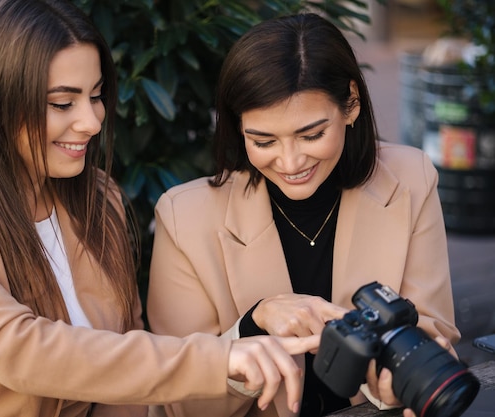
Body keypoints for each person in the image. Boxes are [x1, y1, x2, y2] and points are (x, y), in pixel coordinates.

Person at [0, 2, 320, 416]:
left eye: (97, 95)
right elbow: (19, 349)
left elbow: (123, 365)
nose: (91, 121)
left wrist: (244, 339)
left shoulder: (96, 198)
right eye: (62, 103)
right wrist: (219, 357)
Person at [147, 12, 460, 417]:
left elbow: (433, 335)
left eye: (311, 135)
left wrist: (393, 386)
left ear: (351, 103)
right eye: (263, 141)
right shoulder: (183, 216)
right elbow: (182, 401)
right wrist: (252, 327)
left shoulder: (410, 179)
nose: (290, 162)